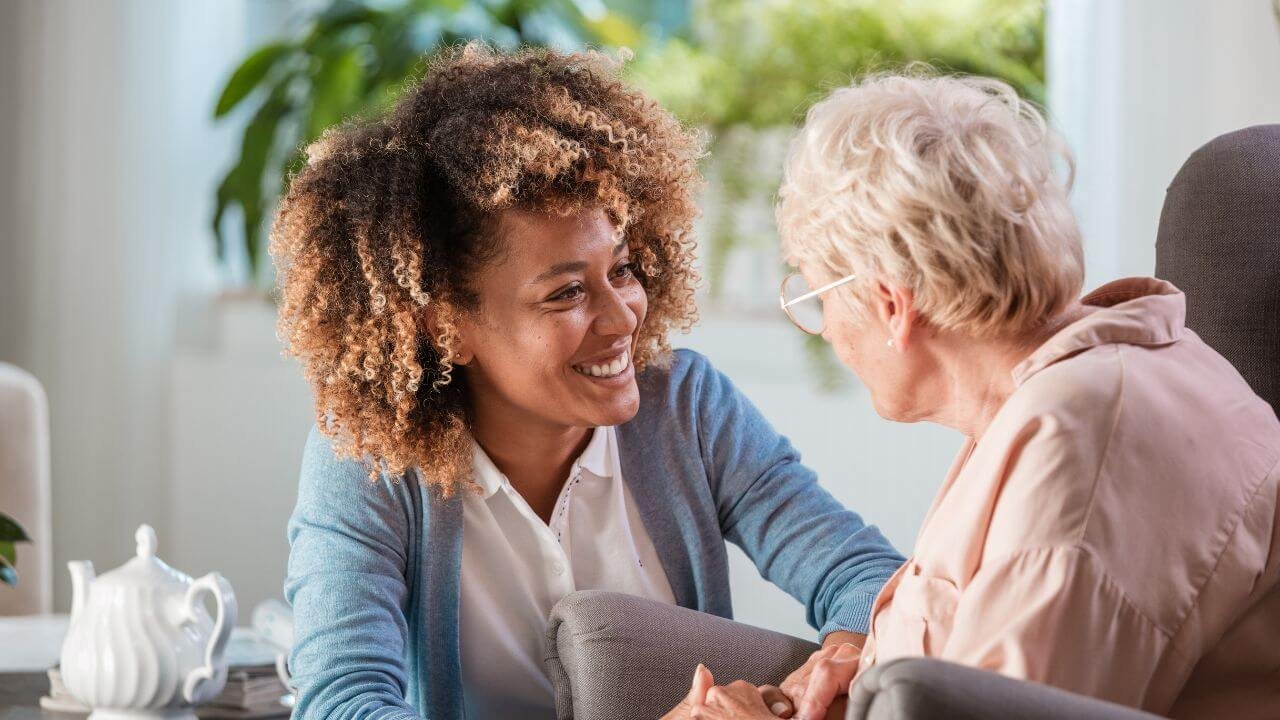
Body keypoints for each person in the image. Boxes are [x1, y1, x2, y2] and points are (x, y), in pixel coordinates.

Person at [274, 44, 904, 720]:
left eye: (623, 270)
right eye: (567, 292)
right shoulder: (372, 462)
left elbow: (866, 575)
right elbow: (342, 704)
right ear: (446, 326)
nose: (621, 316)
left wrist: (838, 660)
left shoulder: (686, 409)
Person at [682, 72, 1280, 719]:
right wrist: (877, 669)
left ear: (890, 305)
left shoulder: (1077, 453)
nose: (825, 330)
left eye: (817, 296)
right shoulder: (1082, 387)